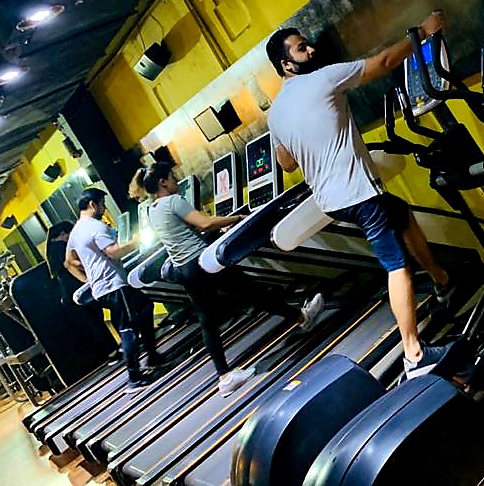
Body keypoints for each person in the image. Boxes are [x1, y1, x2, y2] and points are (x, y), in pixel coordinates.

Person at [266, 13, 455, 380]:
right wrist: (422, 32)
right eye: (301, 48)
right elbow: (383, 62)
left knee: (400, 212)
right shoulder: (323, 78)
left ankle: (441, 279)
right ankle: (414, 354)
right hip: (357, 193)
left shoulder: (275, 115)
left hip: (334, 202)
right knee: (396, 265)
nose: (311, 49)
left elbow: (286, 163)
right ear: (286, 65)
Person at [130, 163, 324, 397]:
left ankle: (224, 376)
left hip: (184, 269)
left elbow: (185, 230)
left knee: (208, 320)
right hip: (201, 263)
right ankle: (302, 318)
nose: (175, 181)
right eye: (172, 177)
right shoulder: (173, 201)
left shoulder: (152, 210)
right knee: (254, 292)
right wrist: (237, 218)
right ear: (162, 182)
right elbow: (204, 223)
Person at [65, 188, 164, 392]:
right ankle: (134, 377)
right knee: (128, 329)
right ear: (93, 204)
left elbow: (69, 262)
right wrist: (137, 240)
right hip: (114, 285)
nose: (104, 209)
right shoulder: (96, 226)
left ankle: (152, 356)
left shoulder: (76, 231)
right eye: (102, 204)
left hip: (102, 289)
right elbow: (113, 252)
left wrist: (89, 279)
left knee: (145, 306)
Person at [46, 221, 116, 363]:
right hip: (80, 290)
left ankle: (109, 352)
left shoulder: (52, 251)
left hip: (70, 295)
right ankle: (112, 350)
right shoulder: (62, 248)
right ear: (63, 234)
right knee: (98, 320)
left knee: (93, 324)